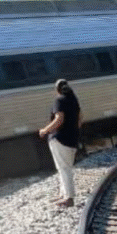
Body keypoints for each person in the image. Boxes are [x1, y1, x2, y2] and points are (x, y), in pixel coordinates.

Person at [38, 78, 82, 207]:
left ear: (57, 89)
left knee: (64, 169)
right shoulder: (74, 100)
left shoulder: (59, 100)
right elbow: (80, 118)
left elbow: (59, 119)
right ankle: (63, 194)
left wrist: (45, 130)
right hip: (72, 139)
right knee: (64, 168)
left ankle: (69, 198)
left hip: (60, 139)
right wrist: (73, 130)